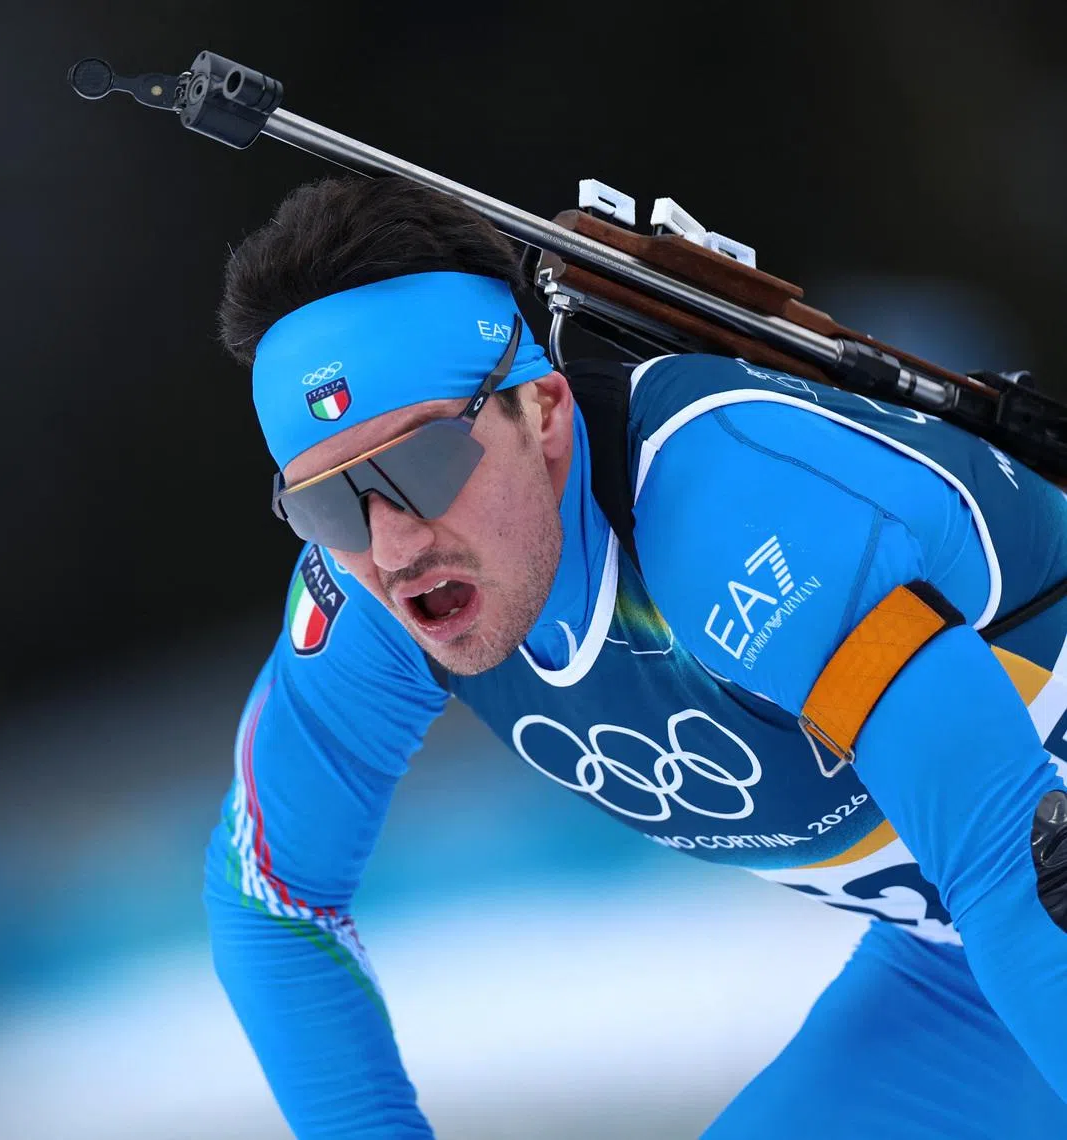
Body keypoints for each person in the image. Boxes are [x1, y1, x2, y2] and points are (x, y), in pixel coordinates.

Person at [203, 174, 1067, 1138]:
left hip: (1021, 895)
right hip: (968, 948)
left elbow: (1012, 865)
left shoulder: (732, 514)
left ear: (545, 412)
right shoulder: (376, 601)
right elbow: (269, 903)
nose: (394, 544)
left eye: (424, 464)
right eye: (328, 502)